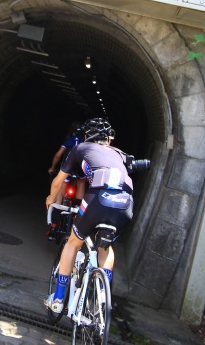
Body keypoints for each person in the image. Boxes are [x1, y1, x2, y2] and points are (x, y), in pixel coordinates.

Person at [44, 117, 133, 313]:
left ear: (86, 136)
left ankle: (58, 300)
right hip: (125, 204)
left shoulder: (80, 148)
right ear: (109, 140)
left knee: (73, 243)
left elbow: (59, 181)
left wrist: (51, 199)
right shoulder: (120, 154)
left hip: (98, 199)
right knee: (106, 247)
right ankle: (102, 298)